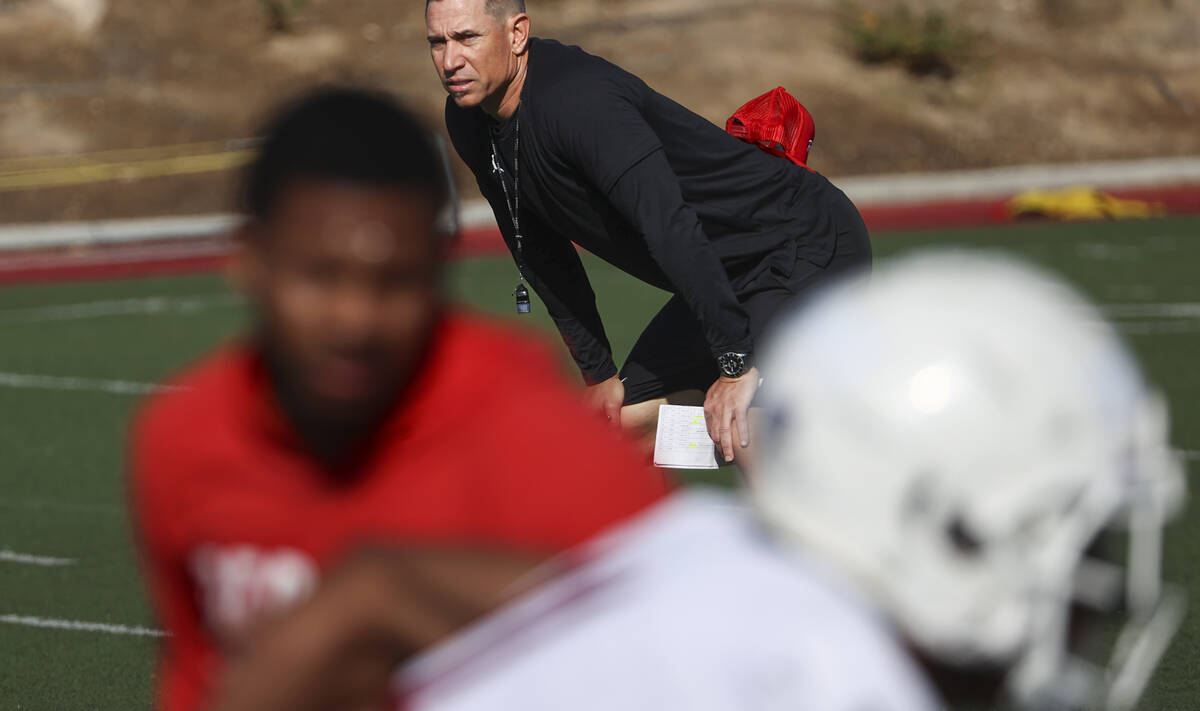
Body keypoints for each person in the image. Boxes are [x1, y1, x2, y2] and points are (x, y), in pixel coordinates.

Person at [388, 251, 1184, 711]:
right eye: (1069, 536)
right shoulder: (829, 681)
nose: (1088, 587)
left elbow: (375, 585)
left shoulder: (711, 548)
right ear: (938, 532)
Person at [127, 87, 667, 711]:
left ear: (440, 272)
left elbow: (685, 650)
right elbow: (202, 679)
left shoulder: (533, 433)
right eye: (320, 276)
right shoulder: (183, 438)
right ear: (250, 259)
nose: (356, 320)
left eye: (397, 281)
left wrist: (388, 598)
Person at [424, 0, 872, 461]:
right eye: (437, 43)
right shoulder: (468, 119)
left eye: (466, 37)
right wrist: (600, 374)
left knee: (738, 422)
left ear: (517, 32)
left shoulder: (580, 104)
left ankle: (859, 446)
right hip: (719, 273)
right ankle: (808, 426)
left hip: (800, 245)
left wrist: (734, 364)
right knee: (613, 434)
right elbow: (543, 255)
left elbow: (670, 226)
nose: (450, 60)